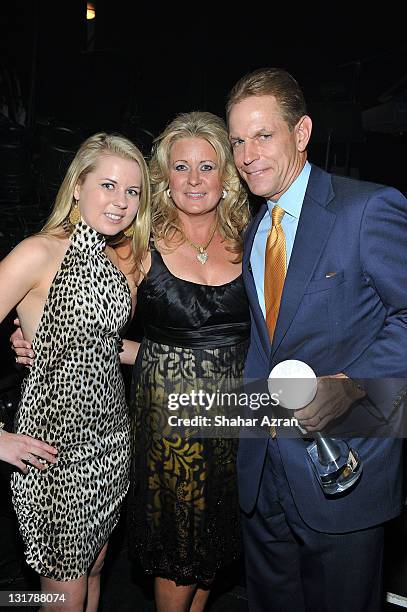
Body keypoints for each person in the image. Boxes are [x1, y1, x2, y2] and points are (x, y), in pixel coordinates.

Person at [226, 67, 407, 612]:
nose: (247, 153)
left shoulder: (367, 209)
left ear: (301, 133)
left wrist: (350, 387)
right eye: (237, 139)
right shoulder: (254, 228)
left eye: (263, 135)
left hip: (345, 466)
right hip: (264, 471)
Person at [0, 132, 151, 612]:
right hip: (54, 446)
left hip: (110, 440)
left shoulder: (120, 259)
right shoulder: (37, 253)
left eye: (132, 192)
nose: (120, 202)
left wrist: (171, 359)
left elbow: (99, 347)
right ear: (78, 185)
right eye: (108, 185)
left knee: (95, 568)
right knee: (63, 593)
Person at [126, 111, 250, 612]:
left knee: (210, 559)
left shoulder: (254, 237)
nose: (194, 180)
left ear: (227, 178)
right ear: (164, 178)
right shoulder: (136, 245)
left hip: (235, 424)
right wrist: (37, 332)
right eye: (181, 167)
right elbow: (89, 320)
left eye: (207, 167)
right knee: (178, 559)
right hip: (170, 431)